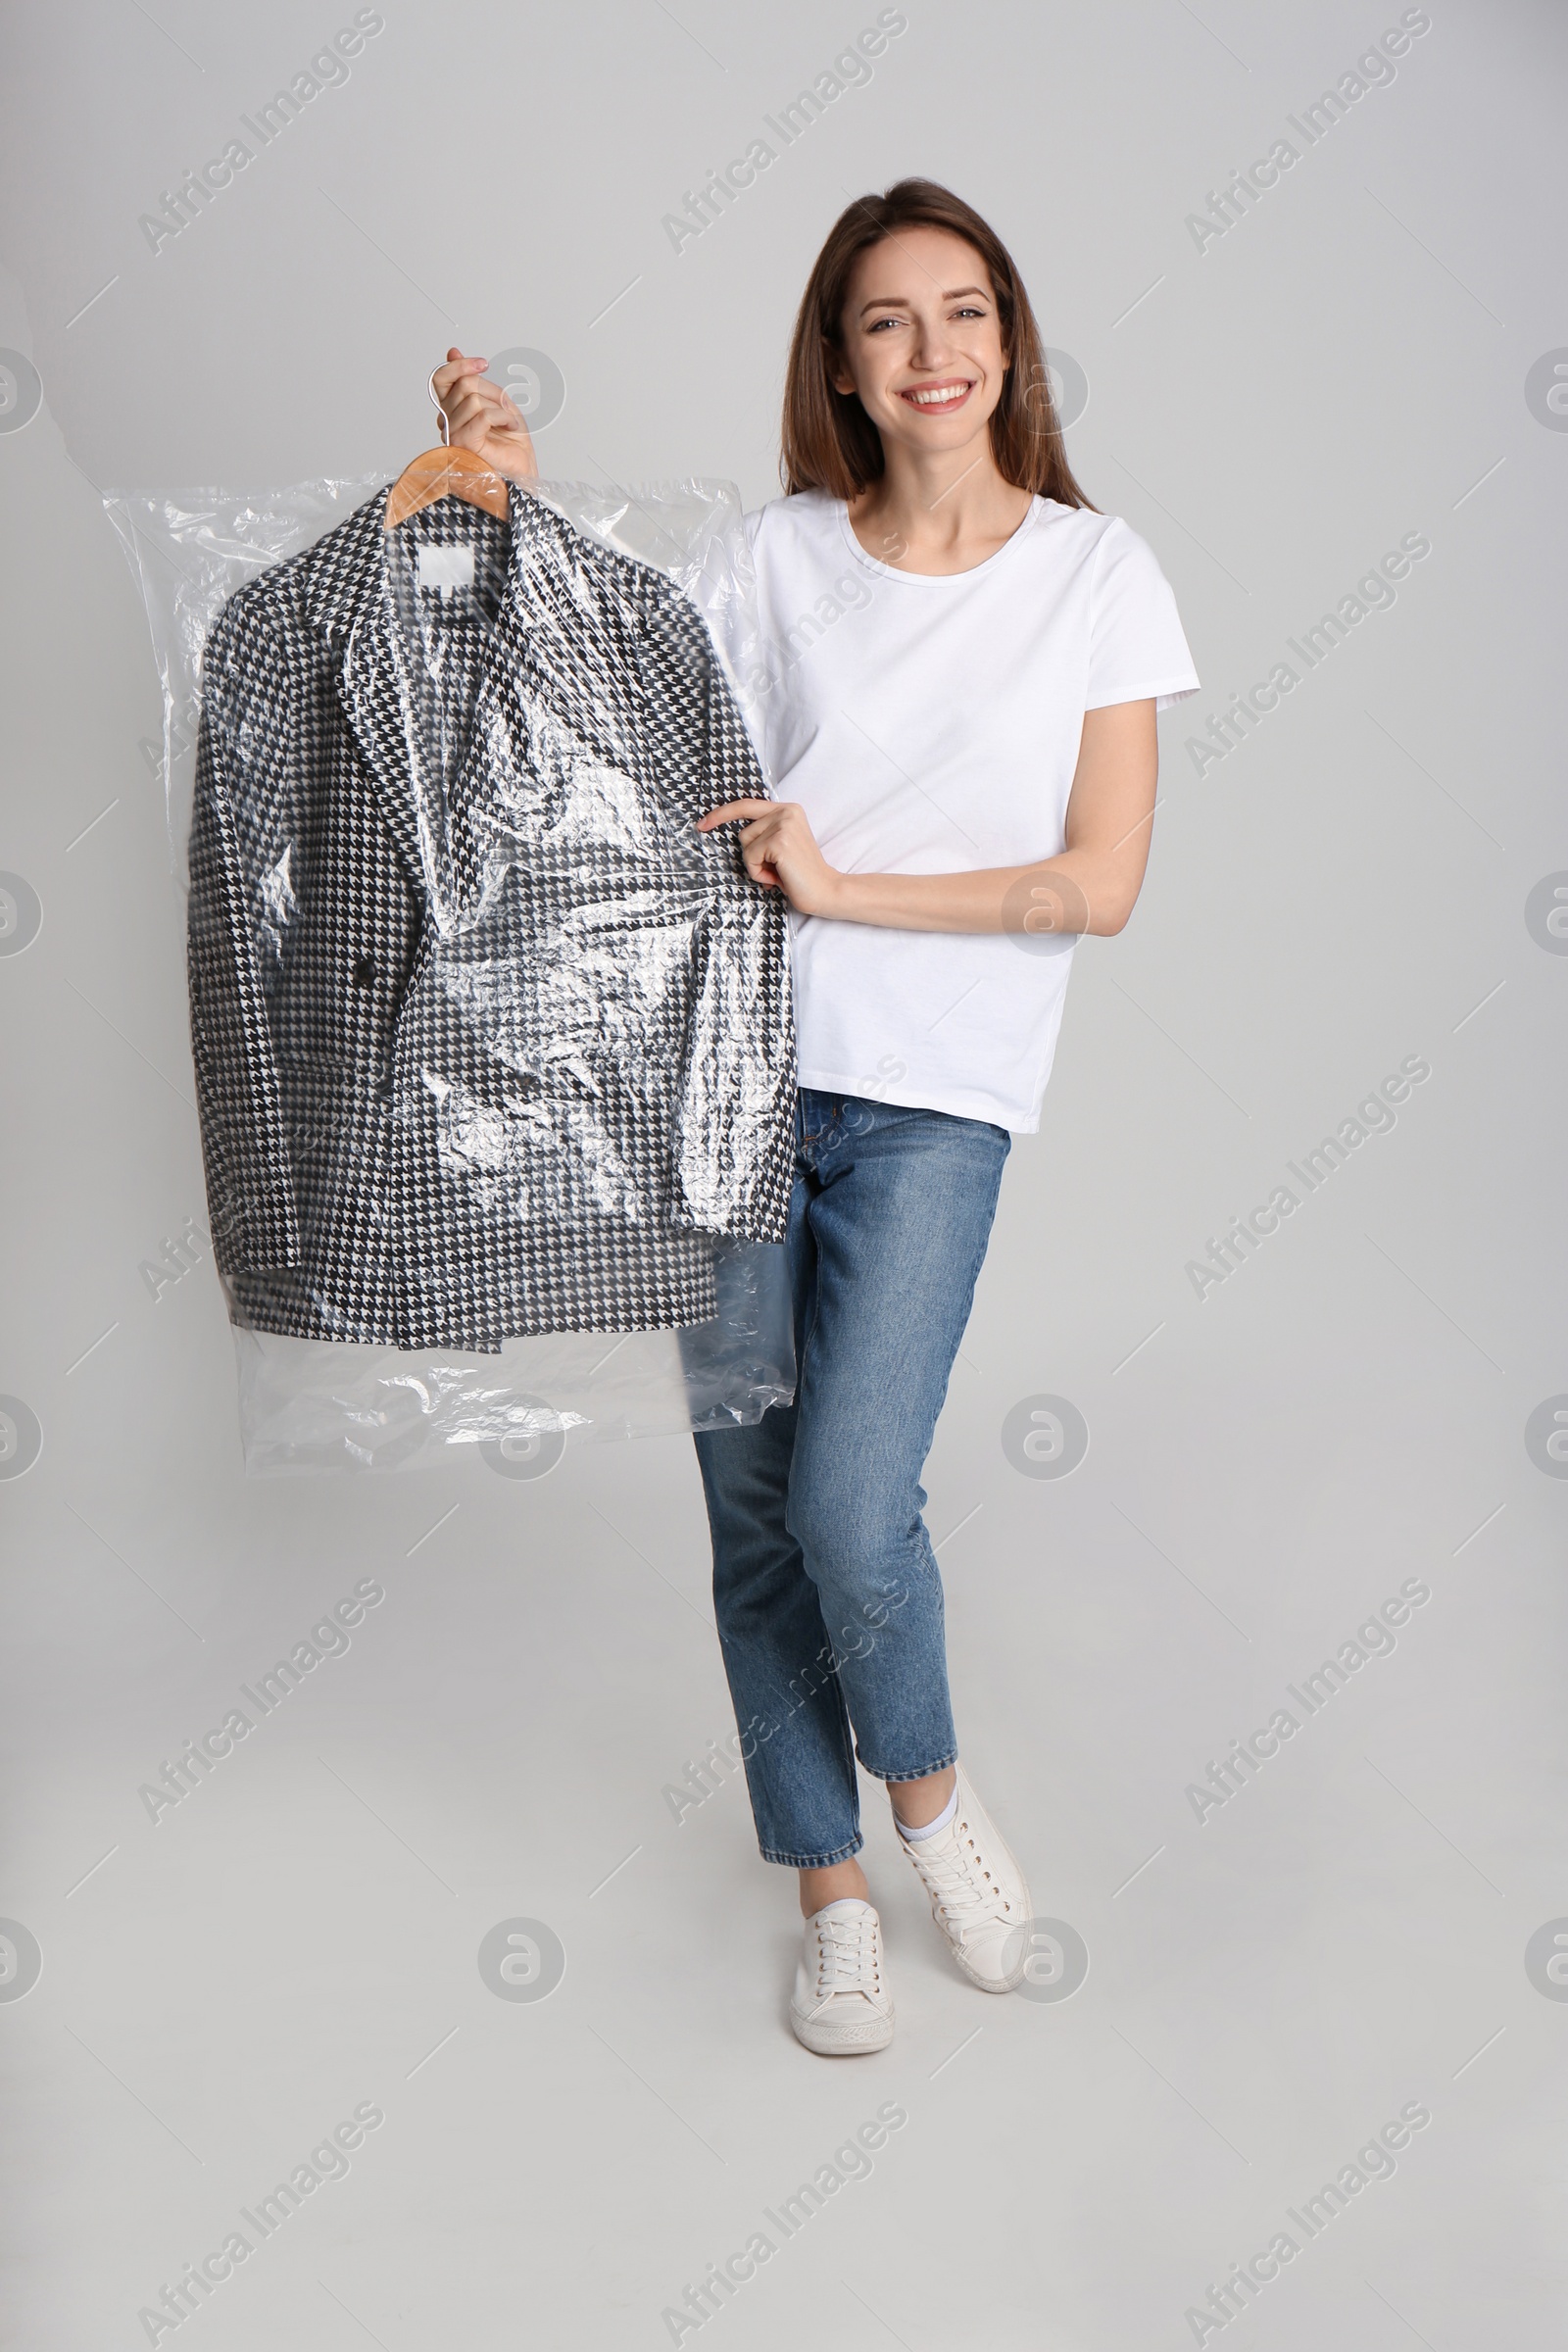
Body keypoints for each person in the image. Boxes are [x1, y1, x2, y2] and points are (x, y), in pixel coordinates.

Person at [429, 177, 1199, 2056]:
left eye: (962, 313)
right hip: (730, 1077)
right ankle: (828, 1890)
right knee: (754, 1508)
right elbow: (607, 693)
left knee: (857, 1503)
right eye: (886, 323)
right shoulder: (776, 557)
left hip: (935, 1098)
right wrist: (514, 497)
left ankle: (926, 1804)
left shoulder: (1100, 575)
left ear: (1008, 340)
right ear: (840, 368)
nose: (931, 353)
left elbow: (1096, 885)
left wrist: (845, 890)